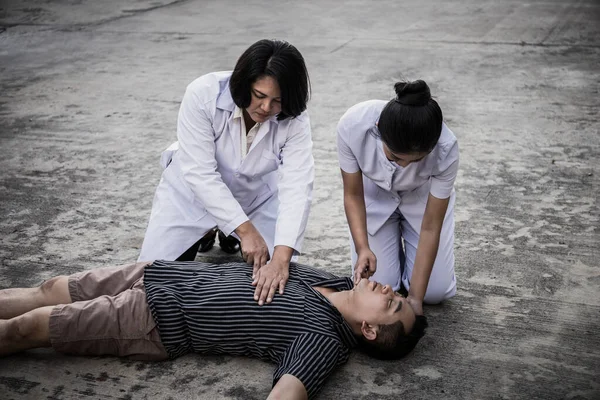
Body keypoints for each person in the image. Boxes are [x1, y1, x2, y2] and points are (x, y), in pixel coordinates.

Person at [0, 260, 427, 399]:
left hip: (152, 320)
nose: (388, 289)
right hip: (163, 273)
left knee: (28, 328)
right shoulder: (335, 281)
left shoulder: (323, 339)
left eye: (390, 302)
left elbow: (288, 394)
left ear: (369, 329)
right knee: (50, 288)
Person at [139, 39, 314, 305]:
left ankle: (225, 228)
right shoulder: (203, 93)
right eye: (259, 95)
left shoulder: (295, 119)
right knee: (150, 285)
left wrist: (281, 258)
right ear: (244, 84)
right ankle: (213, 230)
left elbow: (297, 186)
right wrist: (245, 231)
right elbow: (200, 173)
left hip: (255, 197)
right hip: (190, 196)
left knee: (279, 288)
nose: (266, 108)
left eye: (277, 100)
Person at [337, 80, 459, 316]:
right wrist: (363, 248)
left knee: (434, 293)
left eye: (415, 161)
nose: (404, 166)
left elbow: (431, 227)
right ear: (378, 129)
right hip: (374, 195)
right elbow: (352, 194)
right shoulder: (352, 125)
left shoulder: (447, 148)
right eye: (394, 157)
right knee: (383, 286)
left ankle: (412, 271)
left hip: (421, 201)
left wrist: (415, 299)